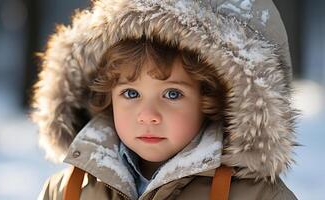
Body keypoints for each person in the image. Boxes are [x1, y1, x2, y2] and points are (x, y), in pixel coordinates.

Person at [31, 0, 298, 199]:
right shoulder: (69, 191)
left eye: (172, 94)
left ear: (212, 100)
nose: (148, 115)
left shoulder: (257, 195)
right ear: (107, 97)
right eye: (131, 93)